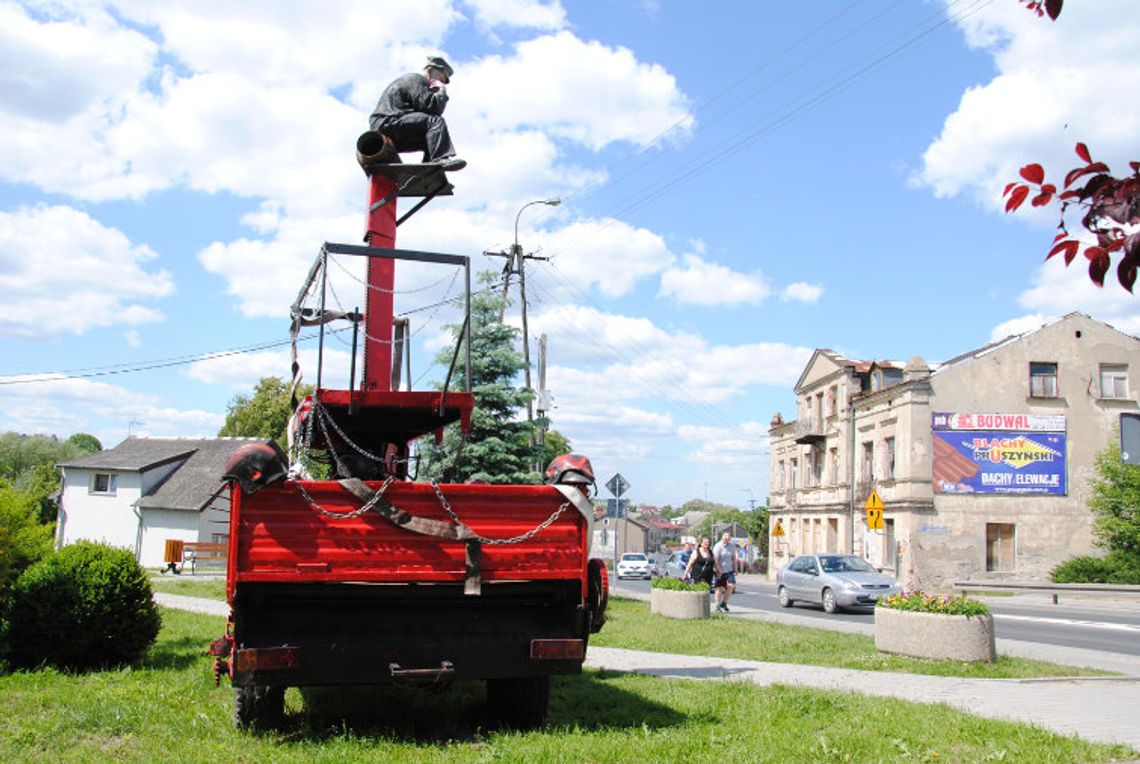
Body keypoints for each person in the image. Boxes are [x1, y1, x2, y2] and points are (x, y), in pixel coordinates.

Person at [369, 55, 465, 170]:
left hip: (390, 125)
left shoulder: (419, 85)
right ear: (430, 71)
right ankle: (439, 159)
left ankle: (429, 170)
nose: (441, 83)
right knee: (434, 121)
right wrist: (441, 91)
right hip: (386, 122)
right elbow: (433, 109)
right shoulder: (416, 79)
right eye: (440, 78)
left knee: (431, 137)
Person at [713, 531, 737, 613]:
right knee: (719, 588)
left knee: (731, 586)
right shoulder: (718, 546)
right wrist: (719, 571)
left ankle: (724, 603)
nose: (727, 538)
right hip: (719, 570)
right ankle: (717, 606)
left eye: (729, 536)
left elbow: (733, 558)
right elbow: (715, 560)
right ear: (722, 537)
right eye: (725, 536)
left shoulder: (731, 546)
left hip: (729, 570)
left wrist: (735, 569)